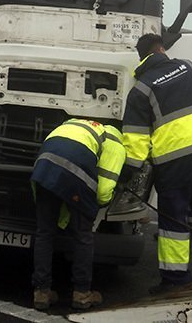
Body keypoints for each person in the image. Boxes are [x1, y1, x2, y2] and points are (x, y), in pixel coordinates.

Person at [122, 33, 192, 295]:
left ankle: (176, 280)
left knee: (174, 222)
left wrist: (127, 173)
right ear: (161, 49)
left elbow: (136, 139)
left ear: (142, 57)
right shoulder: (189, 67)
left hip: (174, 162)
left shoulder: (141, 89)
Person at [30, 119, 126, 310]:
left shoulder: (75, 124)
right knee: (83, 235)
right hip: (74, 170)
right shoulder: (116, 143)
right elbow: (104, 190)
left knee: (44, 233)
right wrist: (93, 208)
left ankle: (41, 293)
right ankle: (82, 294)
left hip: (42, 168)